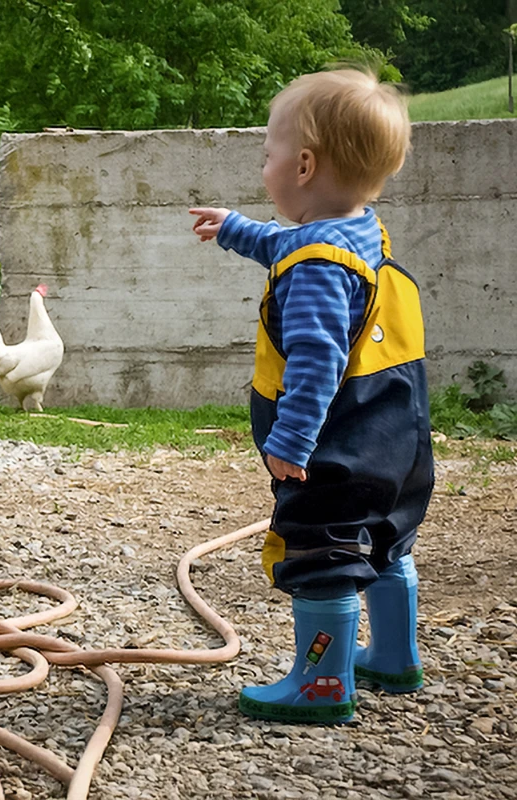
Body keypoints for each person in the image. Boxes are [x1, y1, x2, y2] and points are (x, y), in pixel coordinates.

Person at [189, 67, 432, 724]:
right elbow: (289, 242)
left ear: (302, 165)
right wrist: (235, 228)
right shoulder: (359, 233)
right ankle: (392, 657)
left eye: (267, 153)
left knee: (322, 554)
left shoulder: (318, 269)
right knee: (385, 543)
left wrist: (289, 442)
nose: (263, 164)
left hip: (334, 444)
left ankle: (323, 681)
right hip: (396, 438)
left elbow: (318, 359)